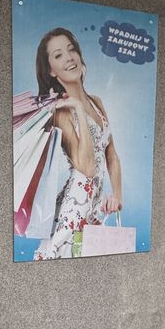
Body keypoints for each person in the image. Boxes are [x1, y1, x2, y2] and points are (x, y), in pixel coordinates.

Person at [34, 27, 123, 260]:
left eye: (71, 50)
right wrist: (78, 110)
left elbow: (111, 156)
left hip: (94, 207)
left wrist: (117, 196)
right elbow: (87, 168)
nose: (69, 58)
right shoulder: (61, 113)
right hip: (74, 208)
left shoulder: (97, 102)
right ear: (51, 70)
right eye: (58, 55)